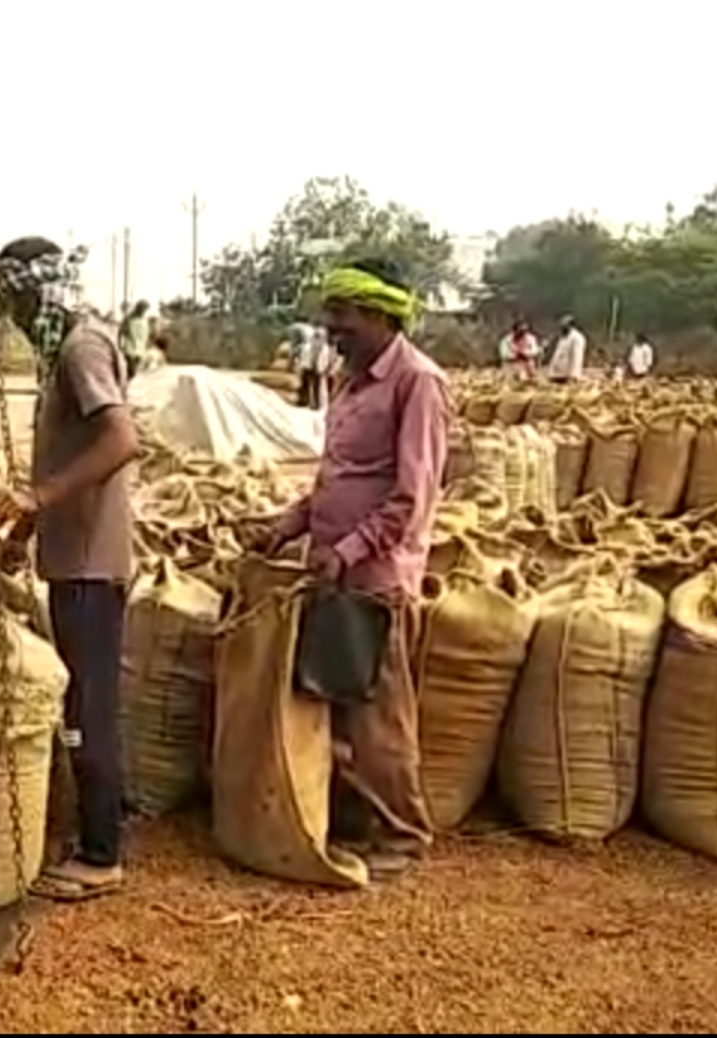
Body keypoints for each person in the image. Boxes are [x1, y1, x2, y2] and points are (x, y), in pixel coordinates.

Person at [259, 258, 448, 882]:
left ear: (377, 312)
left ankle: (404, 835)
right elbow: (338, 480)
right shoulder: (349, 382)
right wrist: (289, 524)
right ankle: (354, 822)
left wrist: (346, 551)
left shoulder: (416, 382)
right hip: (334, 573)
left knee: (380, 716)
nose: (330, 326)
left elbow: (411, 495)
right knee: (336, 701)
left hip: (376, 580)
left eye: (341, 314)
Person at [0, 236, 141, 902]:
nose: (17, 320)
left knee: (87, 705)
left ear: (37, 292)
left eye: (19, 302)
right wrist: (29, 520)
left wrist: (38, 498)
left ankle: (101, 853)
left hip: (88, 564)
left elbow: (121, 439)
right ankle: (105, 817)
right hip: (74, 554)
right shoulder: (70, 348)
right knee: (88, 698)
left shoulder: (80, 348)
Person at [545, 314, 586, 384]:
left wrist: (573, 375)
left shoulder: (577, 338)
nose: (561, 327)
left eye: (564, 325)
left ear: (570, 325)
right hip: (557, 373)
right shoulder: (563, 337)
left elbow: (577, 357)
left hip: (567, 375)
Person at [118, 300, 152, 372]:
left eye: (145, 310)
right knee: (132, 370)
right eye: (142, 309)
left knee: (134, 371)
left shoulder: (144, 320)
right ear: (137, 308)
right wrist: (120, 344)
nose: (143, 311)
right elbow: (121, 332)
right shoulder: (129, 318)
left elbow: (146, 333)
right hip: (129, 347)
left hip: (140, 348)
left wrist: (147, 343)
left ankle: (125, 381)